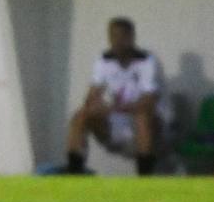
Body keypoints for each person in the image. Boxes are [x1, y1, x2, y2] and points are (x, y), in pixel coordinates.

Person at [67, 18, 165, 176]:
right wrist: (96, 105)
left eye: (122, 37)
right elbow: (92, 96)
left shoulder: (147, 61)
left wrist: (115, 108)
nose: (117, 42)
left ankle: (145, 179)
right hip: (114, 124)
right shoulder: (103, 60)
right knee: (80, 115)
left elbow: (148, 101)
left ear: (131, 37)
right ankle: (73, 173)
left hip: (147, 125)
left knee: (142, 117)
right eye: (113, 37)